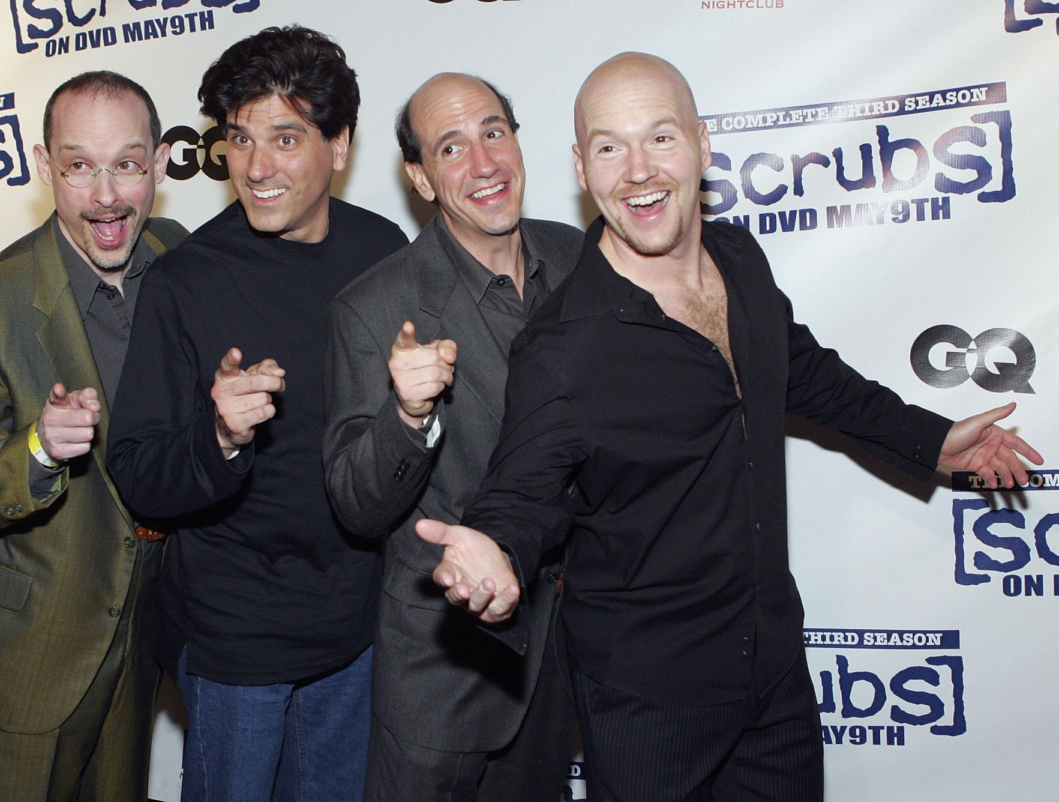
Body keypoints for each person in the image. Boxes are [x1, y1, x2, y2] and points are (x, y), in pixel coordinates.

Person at [415, 53, 1044, 802]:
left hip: (772, 670)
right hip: (649, 698)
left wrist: (930, 440)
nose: (639, 171)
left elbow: (802, 368)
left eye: (661, 138)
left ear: (702, 145)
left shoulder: (739, 259)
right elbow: (523, 488)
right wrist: (494, 547)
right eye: (611, 147)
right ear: (582, 168)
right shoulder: (565, 345)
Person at [106, 26, 408, 802]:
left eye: (285, 138)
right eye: (240, 138)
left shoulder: (383, 250)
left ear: (339, 144)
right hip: (234, 640)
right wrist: (218, 438)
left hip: (354, 628)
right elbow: (137, 471)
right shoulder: (185, 282)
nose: (257, 166)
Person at [0, 71, 183, 802]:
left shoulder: (180, 259)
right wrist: (36, 450)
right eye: (79, 167)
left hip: (146, 637)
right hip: (30, 655)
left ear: (161, 162)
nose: (106, 195)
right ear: (43, 167)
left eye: (127, 164)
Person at [323, 73, 582, 801]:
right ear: (420, 177)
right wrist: (407, 417)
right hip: (447, 673)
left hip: (571, 651)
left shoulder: (580, 259)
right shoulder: (374, 307)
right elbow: (354, 505)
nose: (484, 163)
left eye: (494, 132)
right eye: (451, 147)